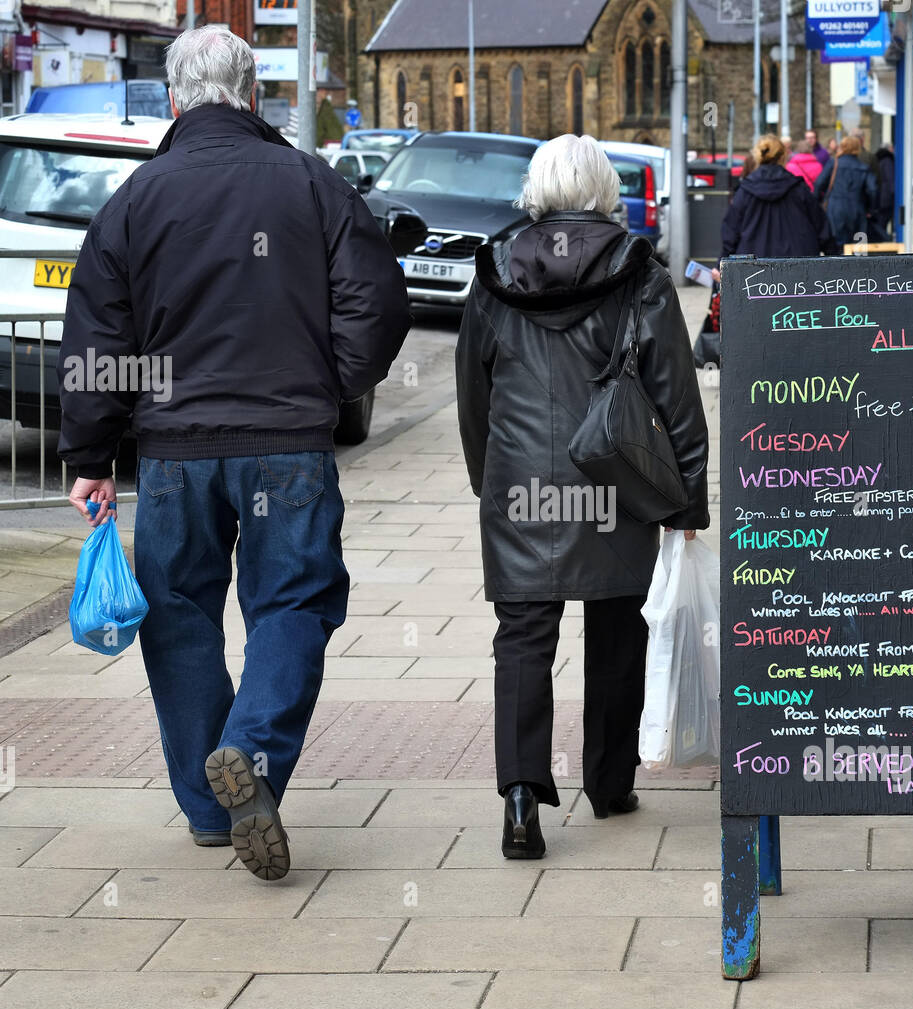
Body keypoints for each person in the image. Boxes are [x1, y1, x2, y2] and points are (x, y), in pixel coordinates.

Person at [57, 26, 410, 880]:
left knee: (177, 614)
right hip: (287, 446)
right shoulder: (312, 184)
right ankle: (248, 754)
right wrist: (329, 388)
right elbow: (380, 306)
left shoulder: (135, 199)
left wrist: (91, 455)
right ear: (254, 94)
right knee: (293, 605)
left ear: (174, 99)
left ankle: (209, 807)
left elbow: (98, 338)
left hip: (175, 454)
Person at [456, 134, 710, 860]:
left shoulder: (494, 273)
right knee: (618, 630)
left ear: (535, 191)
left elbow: (475, 395)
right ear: (605, 189)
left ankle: (519, 799)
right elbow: (675, 398)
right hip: (614, 482)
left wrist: (487, 479)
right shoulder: (639, 273)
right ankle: (609, 781)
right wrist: (686, 503)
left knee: (523, 639)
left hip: (522, 484)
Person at [720, 134, 836, 260]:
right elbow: (822, 228)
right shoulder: (798, 189)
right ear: (783, 156)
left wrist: (721, 262)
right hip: (799, 266)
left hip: (753, 269)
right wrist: (834, 257)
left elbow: (730, 232)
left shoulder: (745, 191)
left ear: (758, 156)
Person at [813, 134, 879, 249]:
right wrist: (871, 209)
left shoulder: (834, 163)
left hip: (835, 209)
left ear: (842, 147)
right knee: (858, 247)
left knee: (836, 246)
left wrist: (818, 202)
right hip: (857, 209)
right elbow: (873, 190)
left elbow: (819, 184)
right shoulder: (864, 167)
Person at [871, 142, 896, 242]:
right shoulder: (887, 161)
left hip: (880, 197)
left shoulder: (878, 160)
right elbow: (890, 181)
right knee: (882, 223)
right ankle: (886, 241)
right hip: (886, 199)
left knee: (881, 222)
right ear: (889, 149)